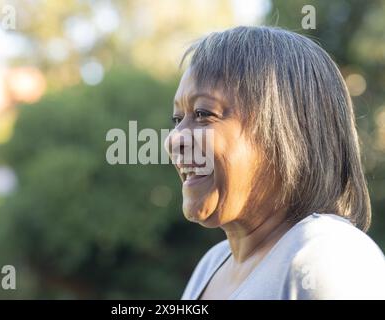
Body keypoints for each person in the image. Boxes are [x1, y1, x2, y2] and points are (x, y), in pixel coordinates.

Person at [165, 26, 385, 300]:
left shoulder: (327, 255)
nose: (174, 140)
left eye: (203, 113)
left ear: (290, 131)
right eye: (178, 119)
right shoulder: (212, 264)